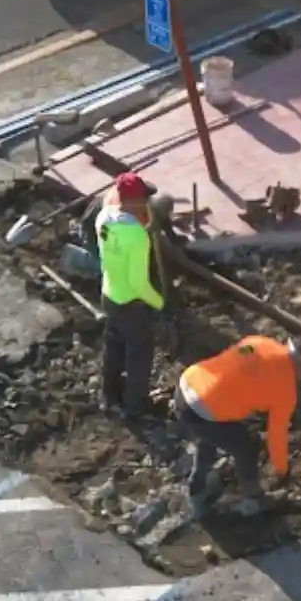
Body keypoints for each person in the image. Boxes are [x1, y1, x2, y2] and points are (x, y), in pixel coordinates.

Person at [173, 335, 301, 517]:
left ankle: (197, 485)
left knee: (213, 433)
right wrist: (282, 469)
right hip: (202, 410)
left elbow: (236, 355)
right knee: (248, 447)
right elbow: (277, 435)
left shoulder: (259, 343)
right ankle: (253, 500)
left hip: (187, 386)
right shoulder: (286, 390)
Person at [96, 172, 166, 417]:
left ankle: (109, 395)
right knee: (140, 352)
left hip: (108, 294)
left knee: (114, 346)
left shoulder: (103, 218)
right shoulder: (137, 237)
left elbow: (109, 204)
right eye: (144, 199)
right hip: (129, 302)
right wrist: (159, 303)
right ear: (136, 202)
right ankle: (136, 407)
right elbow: (139, 284)